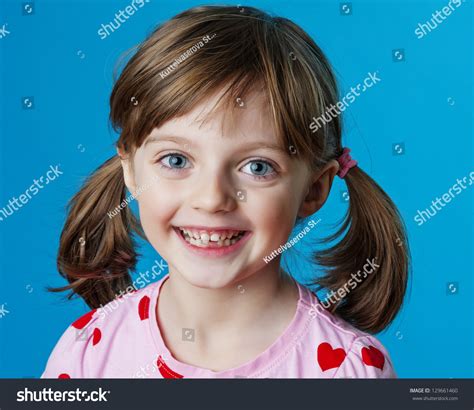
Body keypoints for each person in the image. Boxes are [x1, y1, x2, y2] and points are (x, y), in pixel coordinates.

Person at [42, 5, 409, 378]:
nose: (212, 198)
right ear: (131, 172)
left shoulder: (346, 371)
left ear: (314, 189)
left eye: (257, 167)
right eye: (175, 160)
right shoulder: (89, 352)